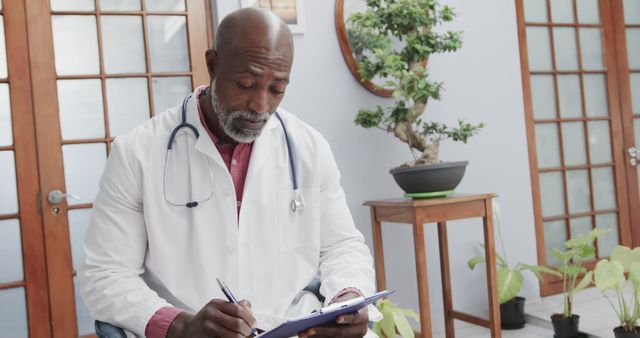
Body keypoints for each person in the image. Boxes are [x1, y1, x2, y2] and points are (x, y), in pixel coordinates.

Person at [80, 7, 376, 338]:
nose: (260, 105)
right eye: (246, 84)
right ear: (213, 65)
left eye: (276, 89)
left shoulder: (308, 147)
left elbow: (342, 246)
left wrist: (347, 298)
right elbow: (105, 274)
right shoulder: (137, 153)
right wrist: (180, 325)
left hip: (288, 327)